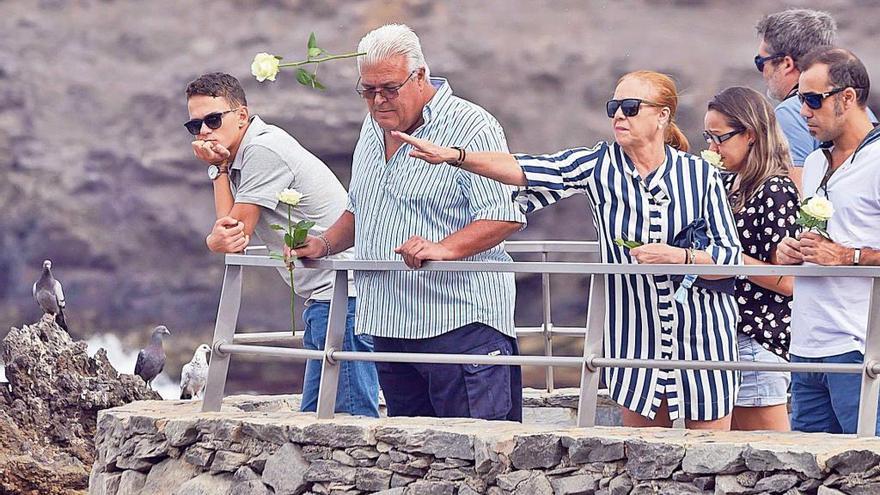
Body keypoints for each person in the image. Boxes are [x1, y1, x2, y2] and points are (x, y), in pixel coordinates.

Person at [395, 71, 743, 430]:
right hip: (636, 341)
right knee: (645, 463)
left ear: (662, 115)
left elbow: (731, 258)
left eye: (630, 107)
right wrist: (456, 156)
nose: (618, 116)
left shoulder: (701, 175)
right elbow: (528, 169)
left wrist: (680, 257)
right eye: (614, 107)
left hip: (704, 341)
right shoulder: (599, 165)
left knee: (710, 461)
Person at [291, 24, 526, 421]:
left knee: (475, 462)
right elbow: (362, 208)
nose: (378, 100)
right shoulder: (373, 125)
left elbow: (504, 216)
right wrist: (325, 244)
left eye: (389, 89)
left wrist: (443, 248)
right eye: (367, 91)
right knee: (412, 462)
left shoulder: (472, 125)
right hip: (389, 327)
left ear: (420, 75)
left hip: (460, 326)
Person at [184, 72, 379, 417]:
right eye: (194, 125)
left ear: (241, 116)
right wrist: (219, 170)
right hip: (330, 299)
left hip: (344, 298)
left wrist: (215, 239)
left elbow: (233, 236)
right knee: (317, 422)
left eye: (213, 120)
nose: (203, 132)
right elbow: (232, 230)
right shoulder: (242, 155)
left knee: (350, 422)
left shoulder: (261, 150)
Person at [776, 47, 880, 434]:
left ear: (848, 97)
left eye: (813, 99)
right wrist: (789, 249)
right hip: (804, 349)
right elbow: (823, 241)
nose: (803, 111)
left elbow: (841, 250)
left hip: (859, 352)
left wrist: (847, 256)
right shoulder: (817, 161)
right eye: (800, 99)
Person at [704, 87, 799, 431]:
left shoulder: (774, 189)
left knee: (774, 458)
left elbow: (786, 281)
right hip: (732, 333)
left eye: (719, 138)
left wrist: (722, 257)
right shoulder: (735, 184)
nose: (712, 148)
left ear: (751, 134)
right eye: (708, 137)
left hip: (757, 336)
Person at [755, 9, 837, 192]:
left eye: (761, 62)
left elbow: (797, 194)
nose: (762, 71)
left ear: (786, 64)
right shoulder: (853, 106)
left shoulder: (789, 113)